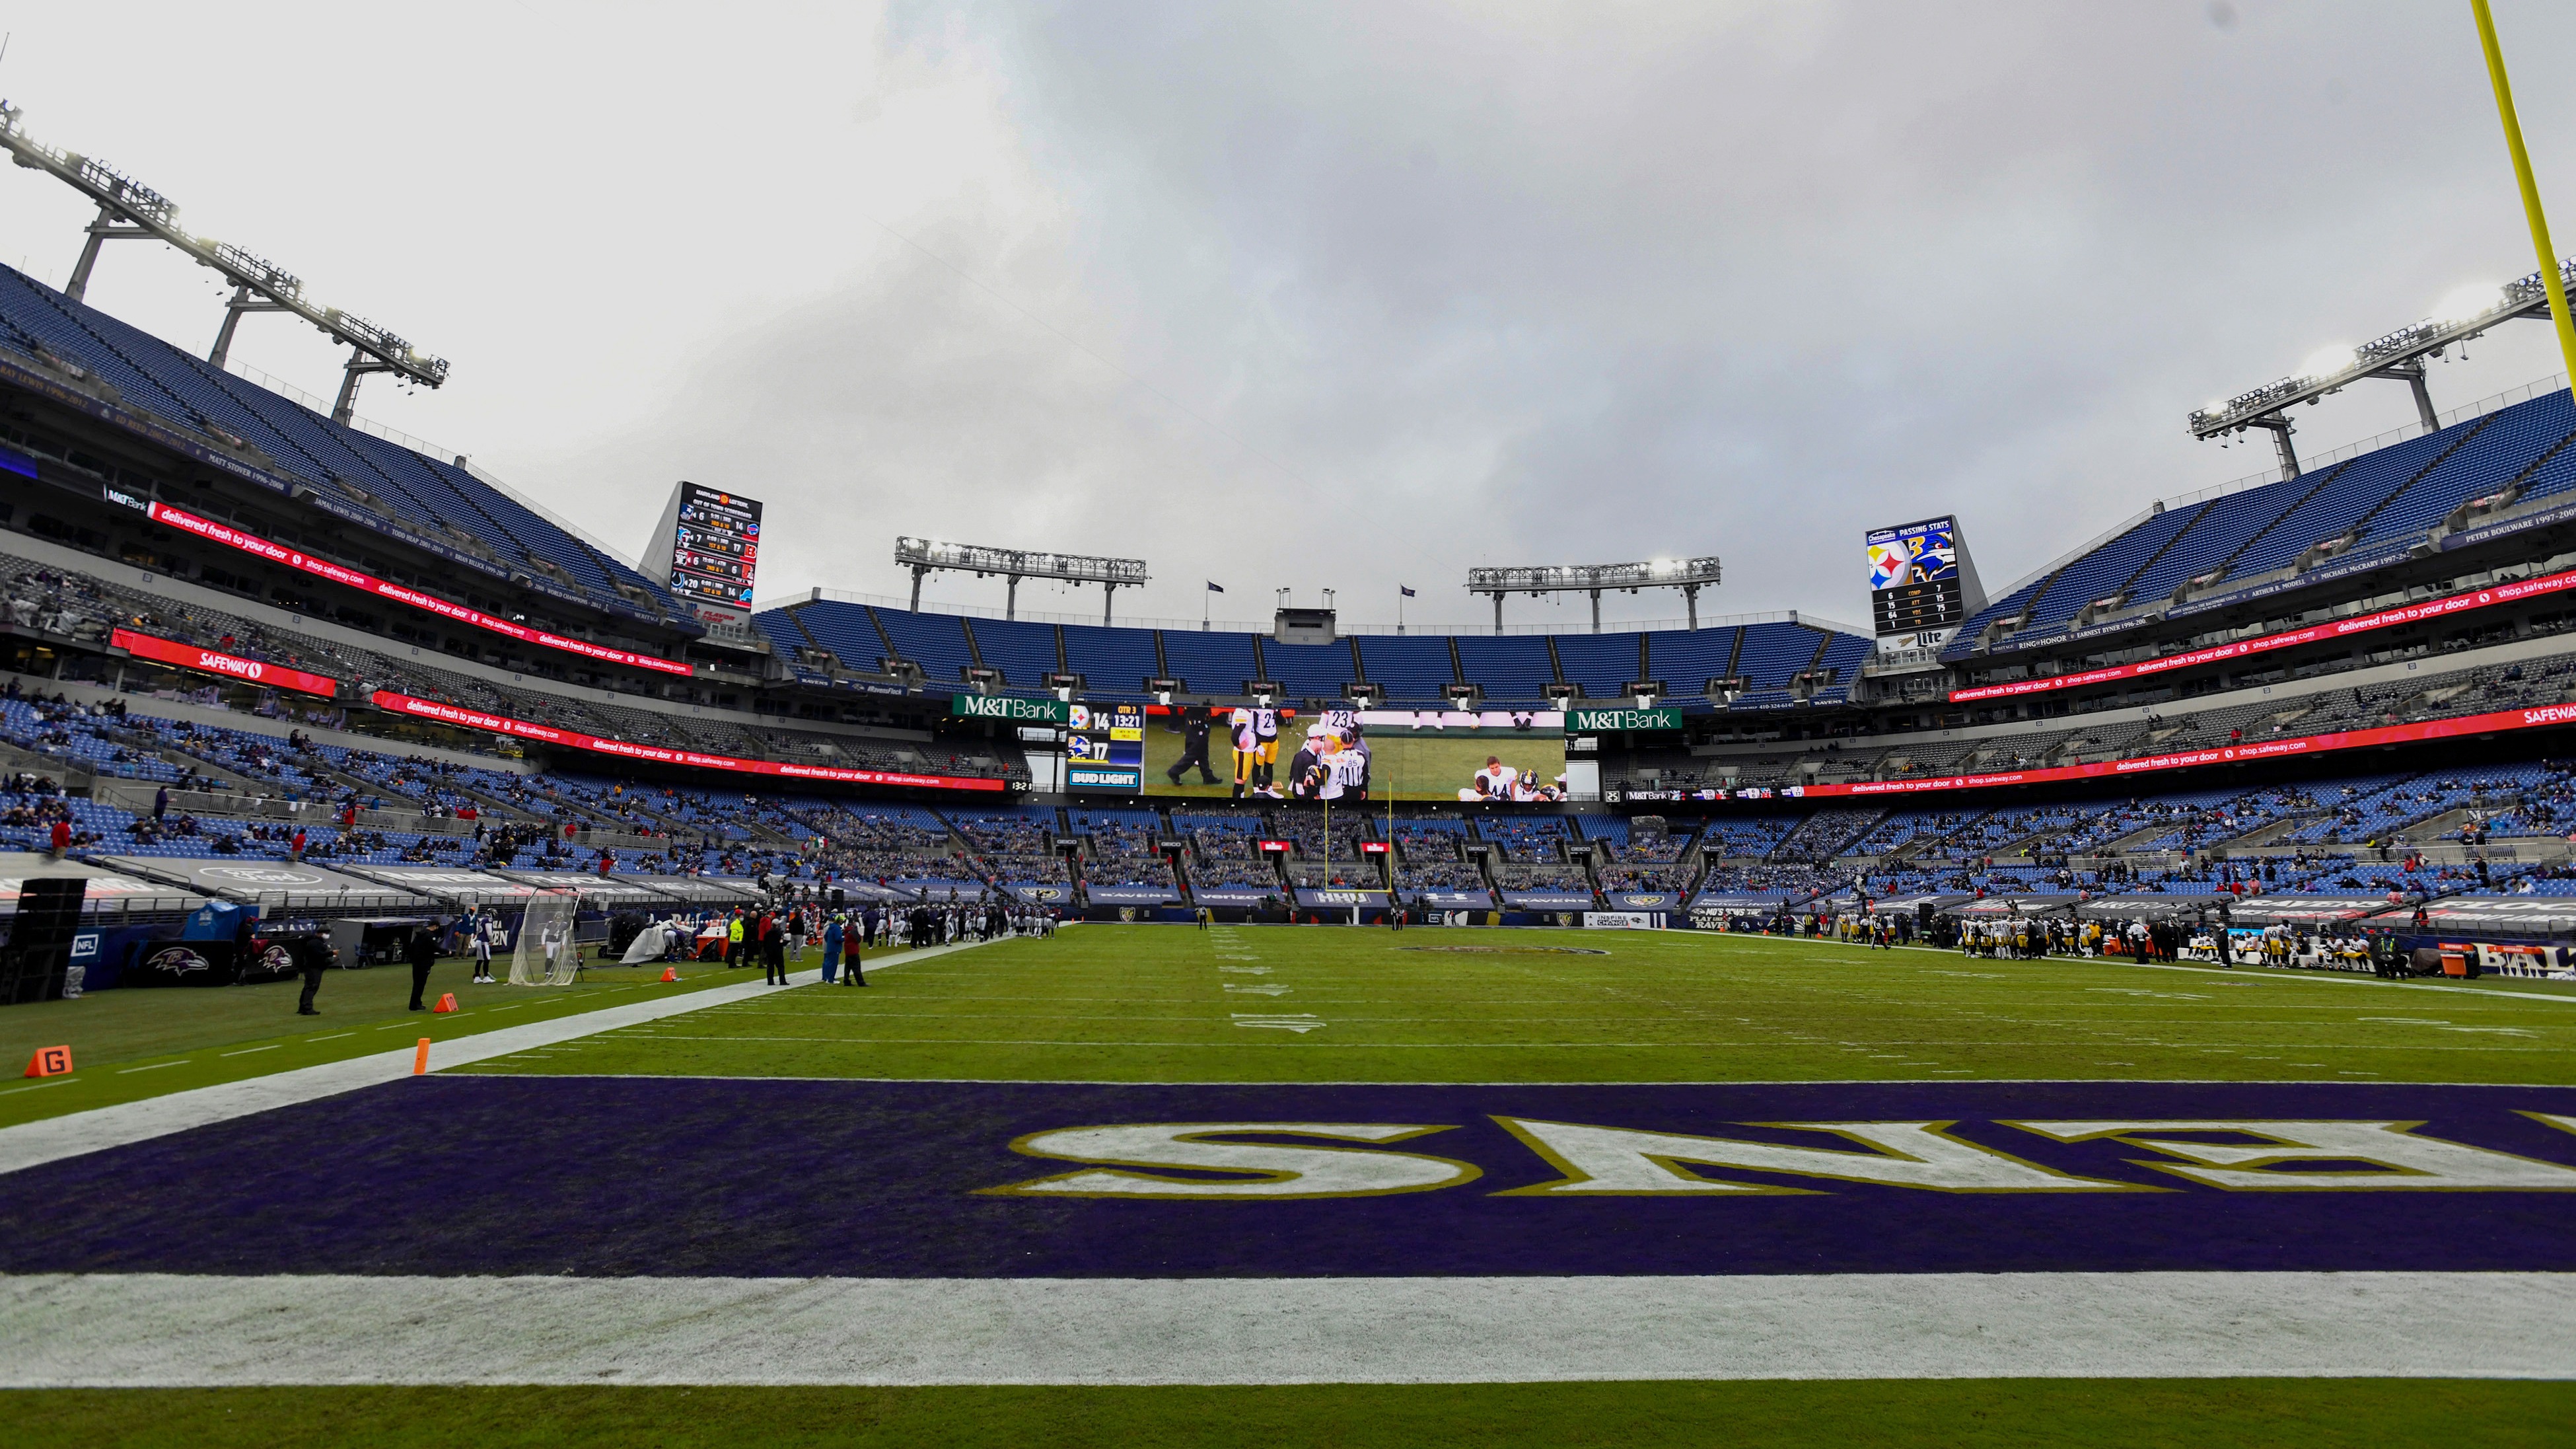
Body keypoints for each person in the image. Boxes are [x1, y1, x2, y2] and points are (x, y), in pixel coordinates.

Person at [1168, 707, 1220, 786]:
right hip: (1195, 725)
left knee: (1203, 752)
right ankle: (1174, 771)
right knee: (1194, 752)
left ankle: (1208, 776)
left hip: (1200, 723)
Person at [406, 923, 440, 1011]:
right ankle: (415, 1004)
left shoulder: (420, 935)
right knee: (420, 984)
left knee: (417, 983)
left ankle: (415, 1003)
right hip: (425, 962)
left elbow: (412, 947)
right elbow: (435, 947)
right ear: (435, 926)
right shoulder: (430, 936)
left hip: (416, 962)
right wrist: (448, 951)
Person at [295, 936, 332, 1016]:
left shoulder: (310, 943)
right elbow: (319, 955)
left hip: (310, 967)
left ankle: (303, 1007)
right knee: (312, 987)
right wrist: (331, 953)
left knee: (308, 987)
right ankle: (307, 1008)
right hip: (314, 968)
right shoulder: (316, 943)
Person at [470, 911, 496, 984]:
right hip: (483, 942)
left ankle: (477, 978)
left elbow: (477, 930)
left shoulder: (481, 920)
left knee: (479, 960)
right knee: (487, 959)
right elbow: (489, 932)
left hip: (479, 941)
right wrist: (491, 940)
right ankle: (486, 977)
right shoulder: (488, 920)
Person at [820, 912, 843, 984]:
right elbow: (837, 938)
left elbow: (826, 936)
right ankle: (828, 977)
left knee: (828, 961)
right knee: (830, 962)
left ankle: (827, 976)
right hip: (831, 946)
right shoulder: (833, 927)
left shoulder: (829, 926)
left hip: (829, 945)